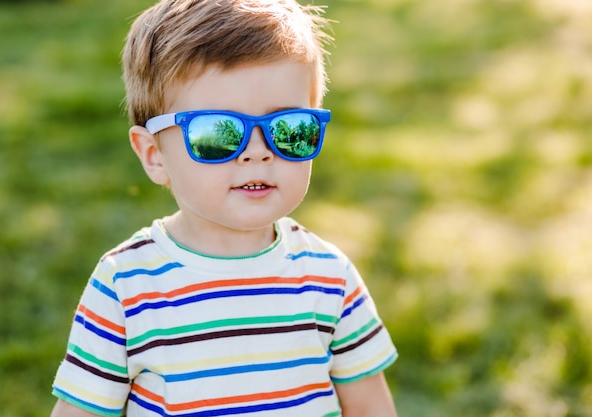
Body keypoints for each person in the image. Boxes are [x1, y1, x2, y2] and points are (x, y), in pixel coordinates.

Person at [50, 0, 398, 416]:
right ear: (154, 155)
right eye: (218, 132)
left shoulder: (328, 276)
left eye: (288, 129)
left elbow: (371, 407)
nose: (257, 152)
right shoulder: (126, 286)